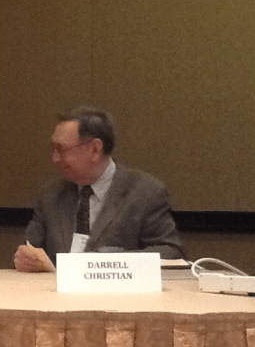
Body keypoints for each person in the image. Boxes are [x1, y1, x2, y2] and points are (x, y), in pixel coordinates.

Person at [14, 105, 183, 272]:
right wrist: (25, 259)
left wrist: (105, 263)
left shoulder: (145, 192)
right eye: (53, 148)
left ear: (95, 149)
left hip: (120, 297)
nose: (55, 158)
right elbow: (31, 249)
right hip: (55, 295)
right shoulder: (52, 194)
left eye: (61, 149)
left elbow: (169, 253)